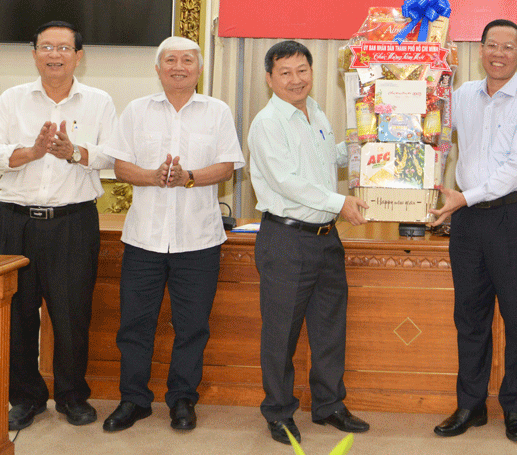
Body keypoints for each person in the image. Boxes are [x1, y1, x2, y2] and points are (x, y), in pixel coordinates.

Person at [103, 36, 245, 433]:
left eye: (187, 60)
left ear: (199, 69)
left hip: (198, 241)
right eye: (171, 60)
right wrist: (154, 176)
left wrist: (189, 178)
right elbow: (119, 165)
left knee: (192, 325)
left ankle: (182, 399)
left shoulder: (216, 111)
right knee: (134, 324)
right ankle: (134, 400)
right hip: (144, 240)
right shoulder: (136, 110)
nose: (179, 67)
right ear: (158, 68)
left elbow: (228, 166)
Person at [429, 20, 517, 443]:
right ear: (480, 50)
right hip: (467, 221)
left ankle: (515, 409)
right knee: (470, 316)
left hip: (513, 216)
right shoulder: (461, 96)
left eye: (508, 47)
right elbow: (434, 136)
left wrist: (464, 196)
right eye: (491, 45)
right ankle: (471, 405)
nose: (499, 53)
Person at [248, 40, 370, 446]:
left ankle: (330, 404)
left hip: (324, 239)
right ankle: (279, 412)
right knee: (281, 333)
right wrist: (341, 202)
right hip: (286, 239)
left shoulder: (315, 111)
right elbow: (288, 181)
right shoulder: (268, 123)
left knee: (329, 328)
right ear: (269, 78)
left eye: (302, 70)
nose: (296, 79)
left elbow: (321, 162)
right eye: (285, 73)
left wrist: (362, 147)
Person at [1, 21, 117, 431]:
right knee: (15, 315)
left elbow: (111, 156)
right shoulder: (11, 99)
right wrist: (30, 151)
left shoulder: (99, 101)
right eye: (46, 47)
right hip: (14, 221)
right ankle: (26, 397)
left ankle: (72, 397)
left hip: (72, 222)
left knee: (72, 316)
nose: (55, 55)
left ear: (78, 56)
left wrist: (76, 152)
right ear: (33, 53)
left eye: (64, 48)